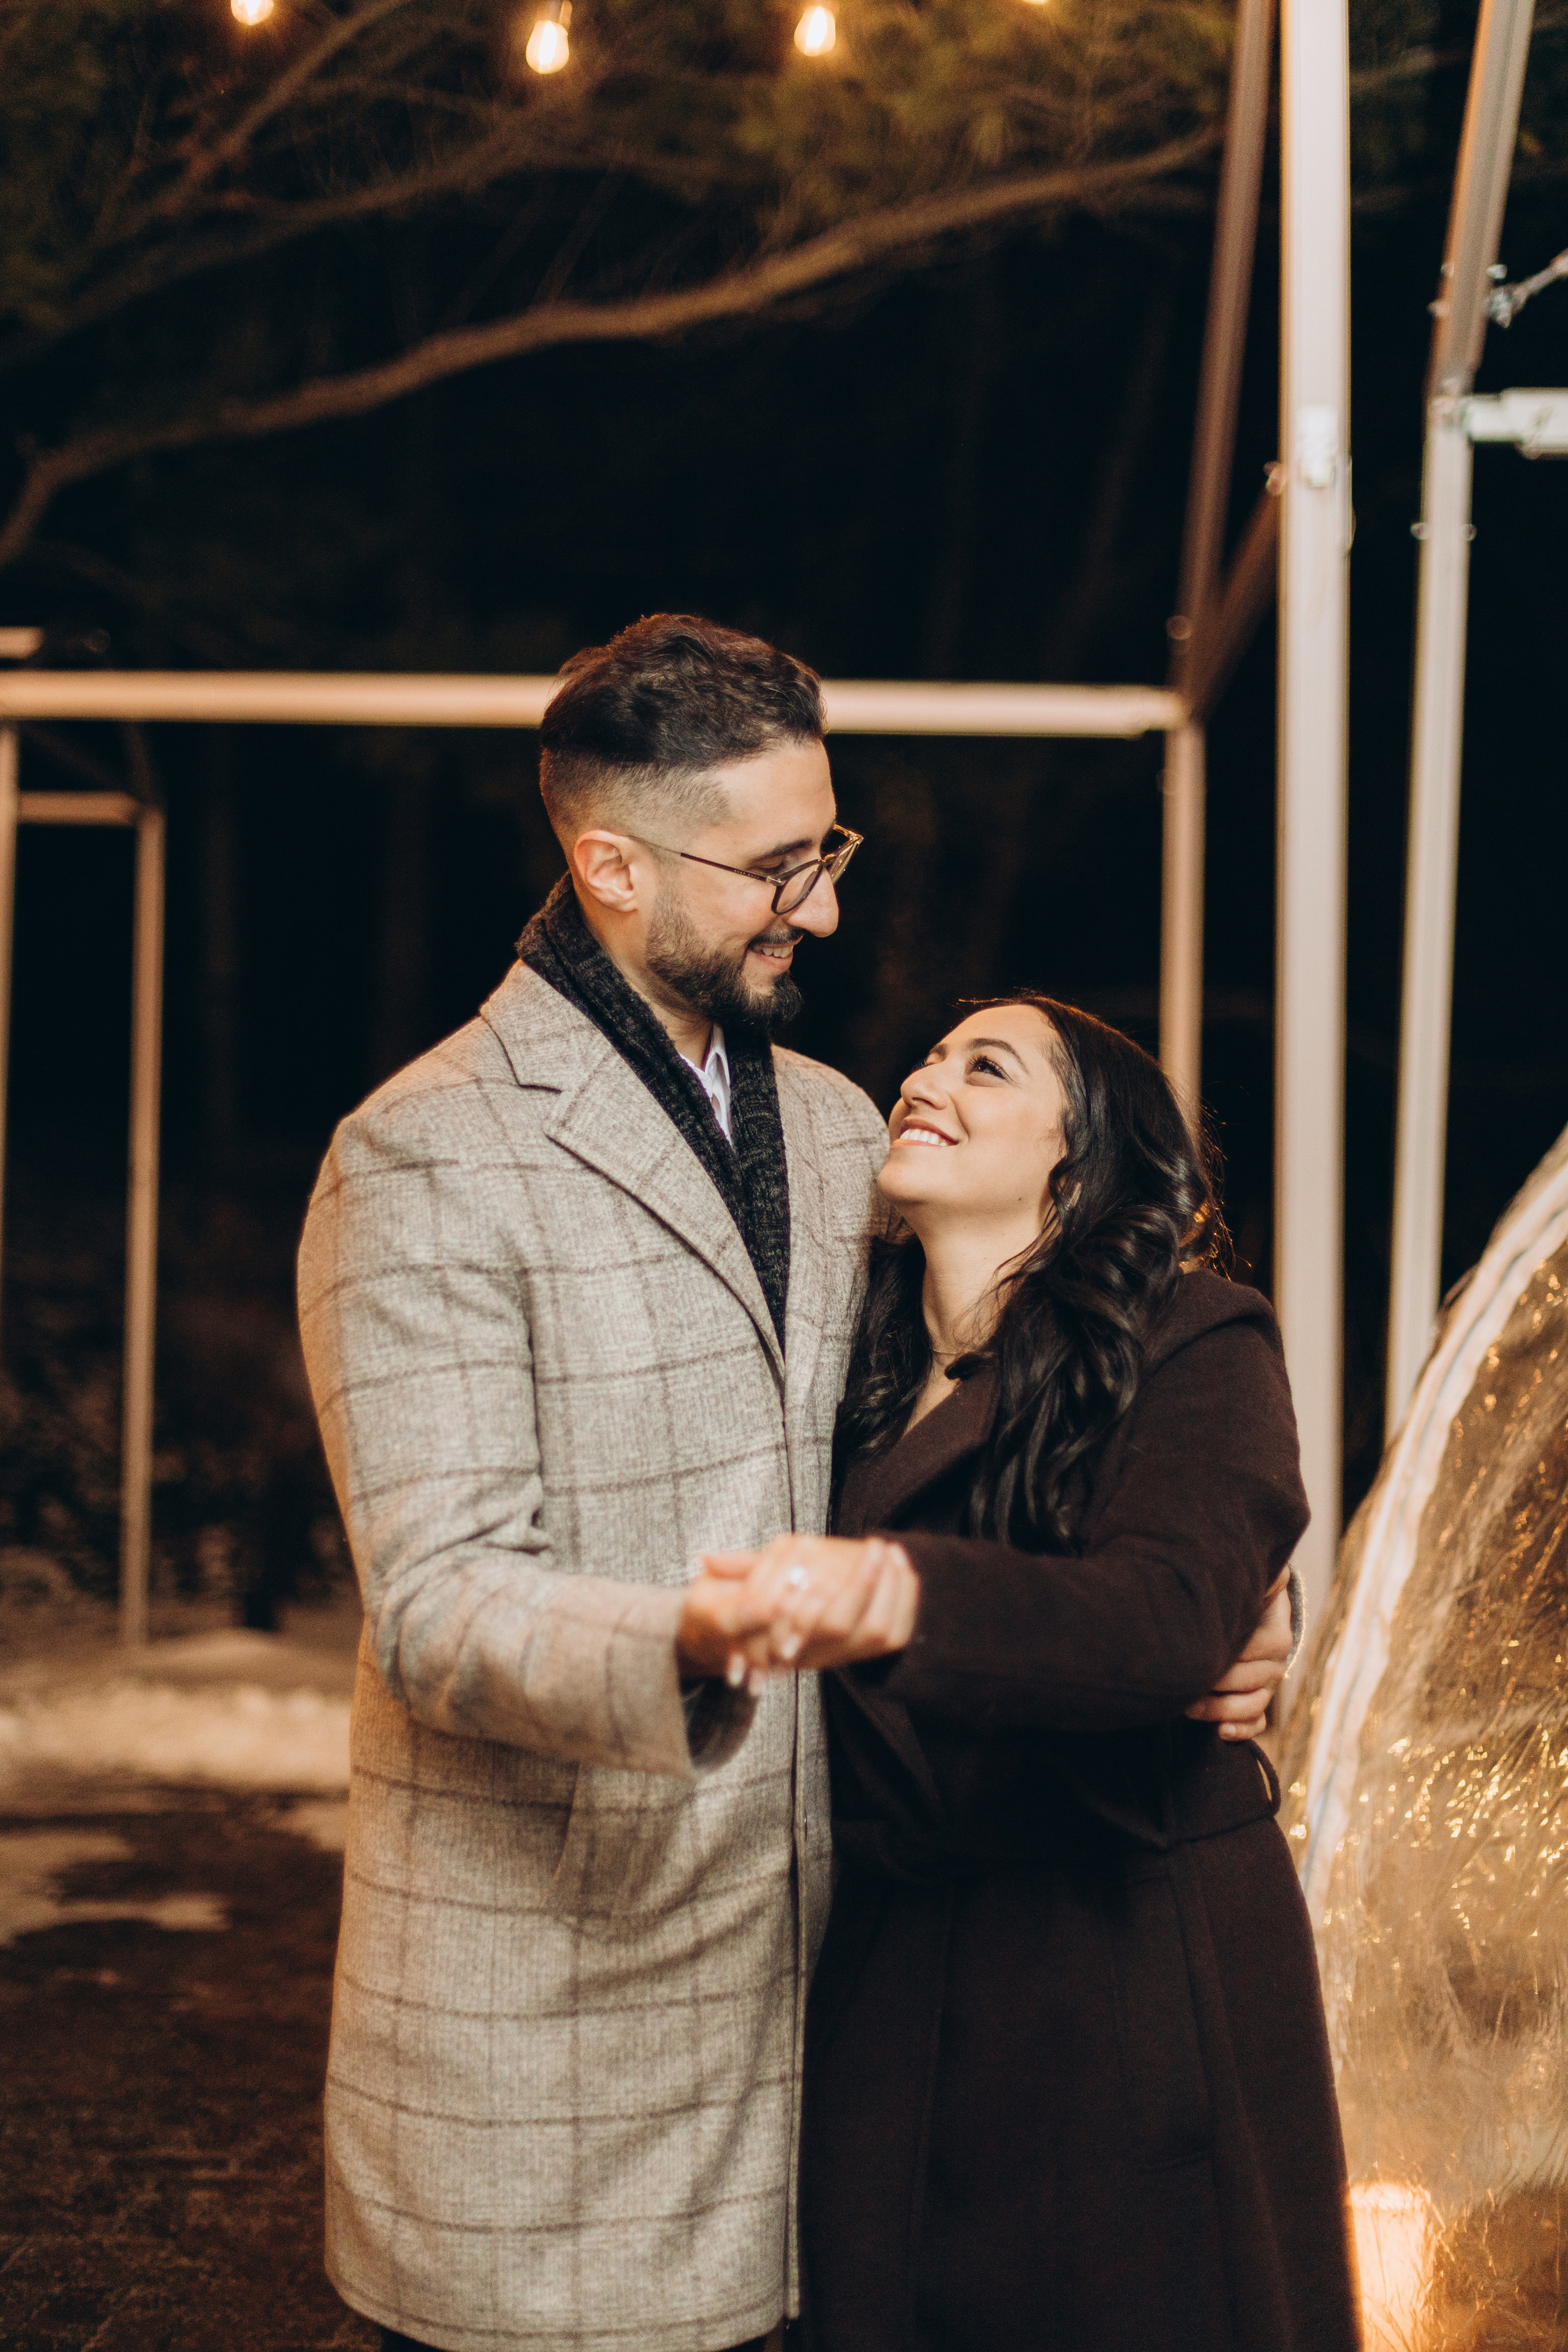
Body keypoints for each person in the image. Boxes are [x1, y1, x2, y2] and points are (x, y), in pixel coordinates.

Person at [298, 614, 1298, 2352]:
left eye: (826, 850)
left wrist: (1240, 1588)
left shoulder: (846, 1131)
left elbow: (1034, 1381)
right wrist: (705, 1628)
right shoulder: (421, 1156)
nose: (822, 909)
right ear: (612, 865)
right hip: (556, 2050)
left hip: (833, 2038)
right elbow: (441, 1605)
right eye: (777, 867)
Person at [702, 995, 1359, 2352]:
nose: (923, 1079)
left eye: (982, 1066)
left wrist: (894, 1596)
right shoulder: (852, 1363)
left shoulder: (1195, 1335)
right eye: (930, 1055)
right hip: (891, 1975)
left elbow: (1166, 1613)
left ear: (1079, 1162)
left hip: (1123, 1974)